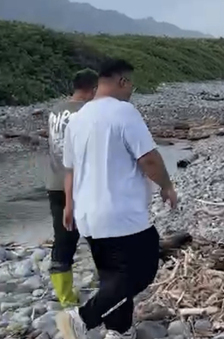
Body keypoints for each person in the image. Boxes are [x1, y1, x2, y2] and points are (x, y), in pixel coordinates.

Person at [56, 59, 179, 339]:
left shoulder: (78, 119)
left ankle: (118, 331)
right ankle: (81, 318)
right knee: (144, 267)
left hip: (88, 216)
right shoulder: (124, 113)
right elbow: (148, 158)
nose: (131, 90)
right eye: (131, 84)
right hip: (120, 214)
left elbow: (70, 168)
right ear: (122, 81)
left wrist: (69, 205)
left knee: (112, 276)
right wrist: (167, 186)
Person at [46, 69, 98, 307]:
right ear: (93, 89)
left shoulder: (56, 109)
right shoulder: (87, 113)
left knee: (63, 239)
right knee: (99, 235)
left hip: (54, 183)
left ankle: (65, 296)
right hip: (78, 185)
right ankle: (107, 284)